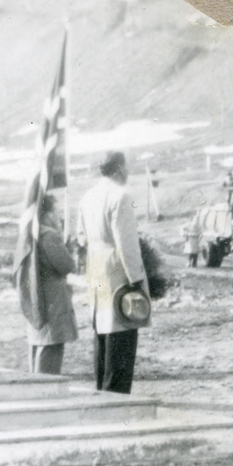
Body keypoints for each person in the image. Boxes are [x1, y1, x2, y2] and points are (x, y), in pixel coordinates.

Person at [77, 151, 149, 394]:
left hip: (96, 267)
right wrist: (136, 279)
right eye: (126, 166)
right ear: (119, 169)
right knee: (122, 333)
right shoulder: (120, 196)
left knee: (102, 335)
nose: (127, 171)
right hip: (117, 269)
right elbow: (126, 244)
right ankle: (116, 397)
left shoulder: (87, 197)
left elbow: (81, 237)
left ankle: (101, 392)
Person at [21, 194, 78, 374]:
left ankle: (36, 390)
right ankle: (44, 389)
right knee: (50, 346)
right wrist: (69, 249)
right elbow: (67, 265)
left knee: (38, 344)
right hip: (52, 299)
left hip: (37, 297)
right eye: (56, 212)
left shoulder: (30, 233)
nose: (58, 217)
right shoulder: (49, 235)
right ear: (47, 214)